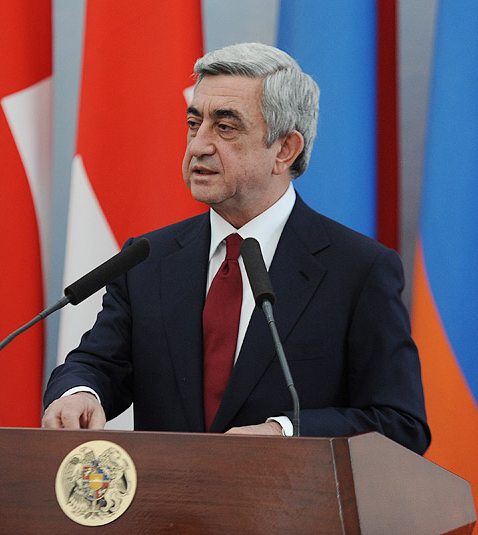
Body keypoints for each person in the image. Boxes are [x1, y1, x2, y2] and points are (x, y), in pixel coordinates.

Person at [42, 42, 430, 455]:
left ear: (285, 150)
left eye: (225, 127)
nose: (198, 146)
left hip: (288, 496)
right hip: (165, 496)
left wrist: (285, 432)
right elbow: (98, 364)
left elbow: (400, 424)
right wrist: (79, 393)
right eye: (194, 124)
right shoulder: (148, 259)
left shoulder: (358, 270)